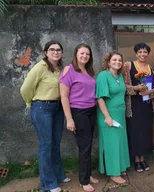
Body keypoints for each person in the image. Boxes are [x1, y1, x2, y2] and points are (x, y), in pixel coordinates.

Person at [20, 40, 70, 192]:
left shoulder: (61, 68)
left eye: (58, 50)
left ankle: (58, 174)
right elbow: (25, 88)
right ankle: (47, 183)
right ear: (45, 52)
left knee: (55, 144)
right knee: (46, 145)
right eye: (52, 49)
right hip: (42, 108)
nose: (56, 52)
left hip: (57, 108)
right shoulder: (39, 67)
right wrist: (30, 103)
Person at [59, 43, 99, 192]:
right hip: (78, 112)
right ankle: (83, 180)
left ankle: (87, 175)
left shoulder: (88, 71)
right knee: (84, 147)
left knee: (88, 145)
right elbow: (64, 96)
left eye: (87, 54)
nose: (84, 56)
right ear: (76, 54)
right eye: (82, 53)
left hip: (91, 111)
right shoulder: (68, 70)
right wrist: (69, 119)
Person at [123, 43, 154, 173]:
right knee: (134, 131)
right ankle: (136, 160)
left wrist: (150, 93)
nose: (142, 54)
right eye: (140, 52)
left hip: (147, 105)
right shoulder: (128, 66)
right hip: (133, 105)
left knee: (145, 131)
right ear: (136, 53)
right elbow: (124, 86)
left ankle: (143, 158)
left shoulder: (152, 68)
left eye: (145, 52)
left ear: (148, 54)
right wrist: (136, 88)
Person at [96, 51, 130, 184]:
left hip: (120, 114)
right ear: (108, 62)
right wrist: (107, 117)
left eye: (120, 60)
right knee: (111, 143)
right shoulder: (103, 75)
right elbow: (100, 98)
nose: (117, 62)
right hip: (108, 115)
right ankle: (113, 173)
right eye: (114, 60)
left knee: (119, 142)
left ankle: (120, 167)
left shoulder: (120, 76)